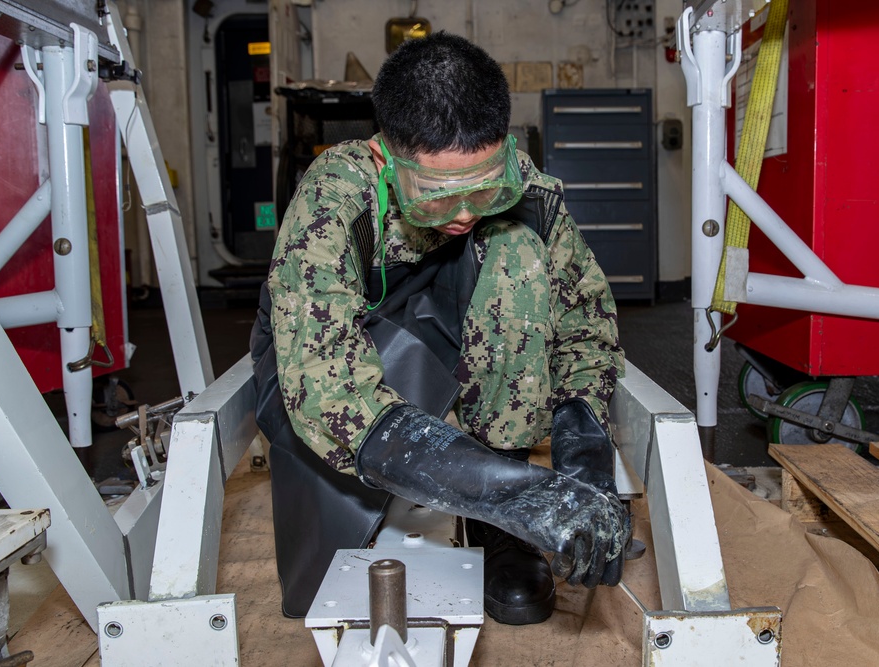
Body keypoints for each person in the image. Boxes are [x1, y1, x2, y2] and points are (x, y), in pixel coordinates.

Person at [251, 32, 630, 627]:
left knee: (517, 250)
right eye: (435, 197)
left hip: (439, 342)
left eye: (484, 188)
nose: (463, 214)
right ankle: (493, 498)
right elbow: (327, 390)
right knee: (328, 589)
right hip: (329, 373)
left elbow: (585, 321)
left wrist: (585, 462)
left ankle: (495, 529)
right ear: (385, 157)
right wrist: (520, 494)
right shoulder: (335, 194)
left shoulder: (523, 185)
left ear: (502, 148)